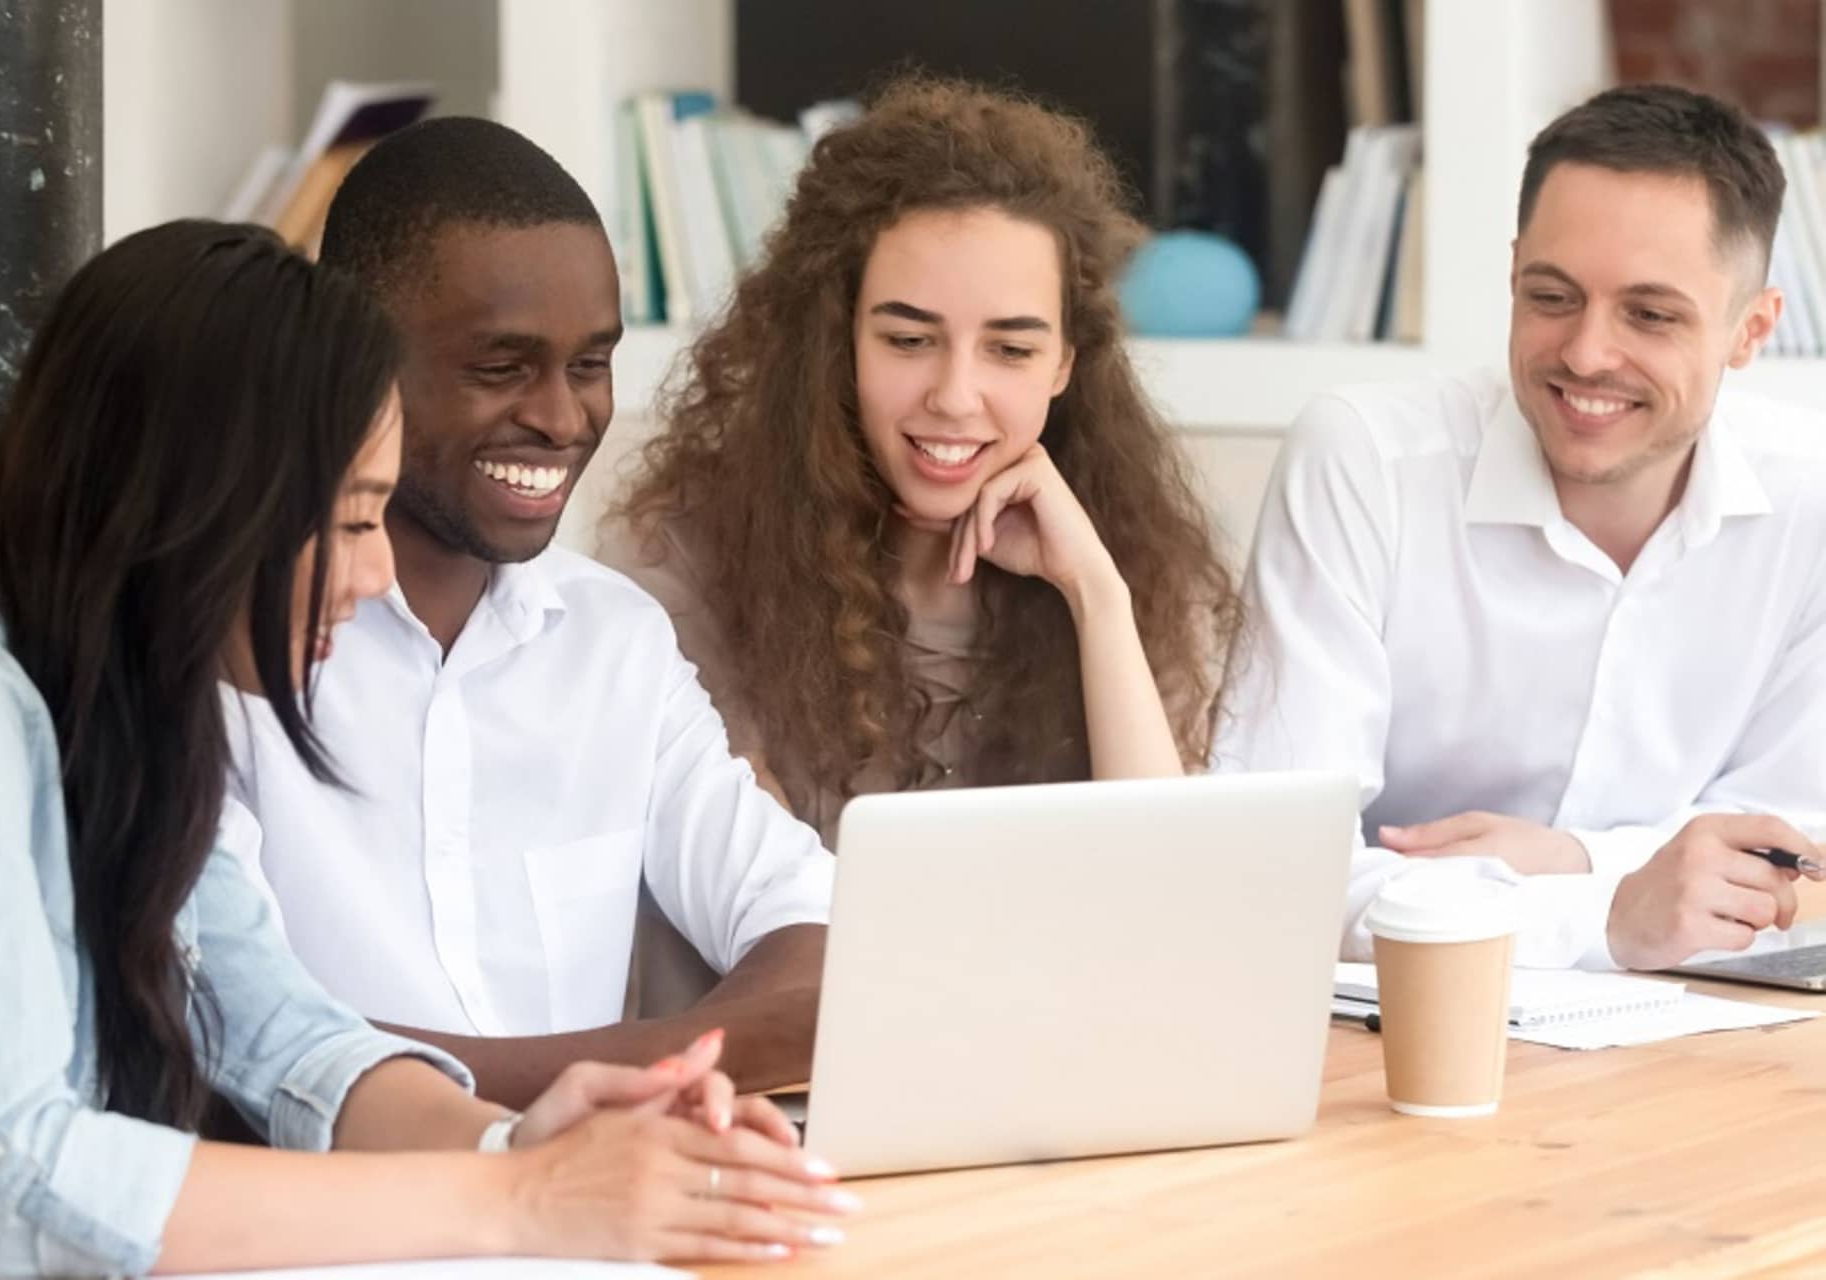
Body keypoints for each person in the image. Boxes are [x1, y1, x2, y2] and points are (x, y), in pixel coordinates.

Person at [0, 221, 852, 1277]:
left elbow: (293, 1044)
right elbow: (7, 1179)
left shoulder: (130, 715)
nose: (376, 576)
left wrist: (519, 1144)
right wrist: (521, 1198)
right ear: (195, 500)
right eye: (350, 522)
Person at [226, 118, 835, 1108]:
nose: (560, 418)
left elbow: (818, 938)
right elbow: (247, 1044)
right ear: (353, 362)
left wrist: (634, 1074)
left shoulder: (615, 641)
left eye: (589, 364)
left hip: (603, 1194)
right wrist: (664, 1063)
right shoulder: (230, 649)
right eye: (501, 367)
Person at [1214, 84, 1826, 972]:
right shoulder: (1365, 464)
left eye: (1650, 314)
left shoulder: (1811, 501)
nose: (1586, 353)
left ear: (1751, 330)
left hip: (1715, 1029)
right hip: (1399, 1027)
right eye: (1552, 296)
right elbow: (1270, 870)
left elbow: (1795, 860)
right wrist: (1609, 912)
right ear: (1512, 276)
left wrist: (1571, 859)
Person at [596, 77, 1243, 844]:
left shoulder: (1139, 564)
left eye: (1011, 349)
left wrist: (1097, 597)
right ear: (839, 341)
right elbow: (758, 894)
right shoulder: (685, 551)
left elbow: (1162, 876)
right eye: (909, 340)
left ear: (1064, 365)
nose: (956, 398)